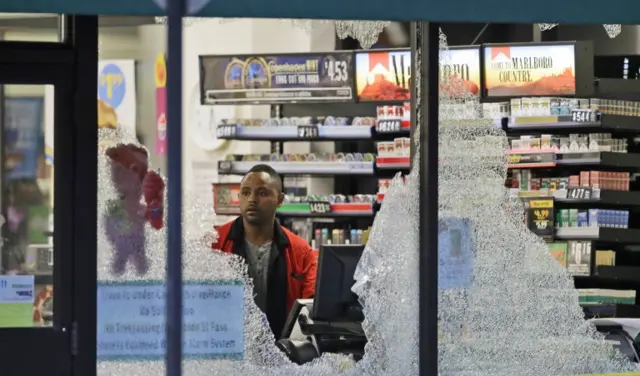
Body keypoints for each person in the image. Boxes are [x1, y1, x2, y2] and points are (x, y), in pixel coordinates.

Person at [212, 164, 317, 339]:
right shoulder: (214, 244)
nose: (252, 199)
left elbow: (311, 307)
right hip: (227, 352)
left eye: (262, 193)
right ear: (238, 197)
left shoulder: (301, 252)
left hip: (284, 353)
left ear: (280, 199)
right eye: (245, 192)